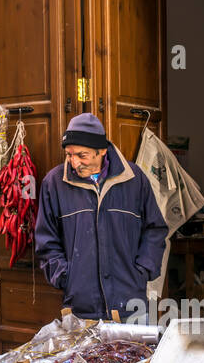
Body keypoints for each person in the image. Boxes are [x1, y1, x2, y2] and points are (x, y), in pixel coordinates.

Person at [34, 113, 168, 320]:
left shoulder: (134, 179)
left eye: (82, 155)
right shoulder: (54, 184)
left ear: (102, 151)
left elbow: (155, 229)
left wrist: (142, 270)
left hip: (130, 303)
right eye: (70, 155)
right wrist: (65, 277)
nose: (74, 163)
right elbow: (46, 241)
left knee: (136, 353)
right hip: (81, 307)